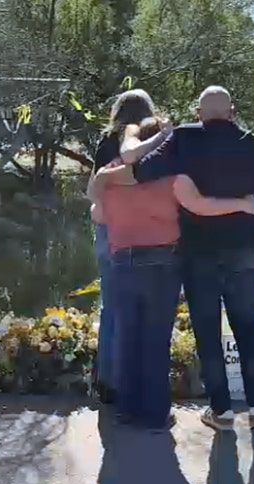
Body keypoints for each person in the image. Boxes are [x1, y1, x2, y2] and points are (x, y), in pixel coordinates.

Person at [115, 86, 254, 430]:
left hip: (196, 253)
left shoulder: (184, 138)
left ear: (198, 113)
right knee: (248, 330)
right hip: (241, 251)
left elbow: (142, 170)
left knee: (207, 332)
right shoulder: (253, 145)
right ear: (232, 112)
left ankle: (221, 411)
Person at [90, 115, 254, 431]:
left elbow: (97, 214)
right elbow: (201, 205)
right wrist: (243, 204)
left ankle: (127, 411)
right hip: (161, 263)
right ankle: (155, 415)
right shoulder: (171, 175)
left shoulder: (111, 172)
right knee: (156, 339)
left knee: (127, 337)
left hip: (122, 262)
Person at [89, 89, 170, 404]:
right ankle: (141, 384)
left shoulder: (106, 142)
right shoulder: (153, 141)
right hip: (146, 230)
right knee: (146, 310)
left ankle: (108, 381)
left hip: (108, 226)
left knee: (110, 306)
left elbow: (95, 190)